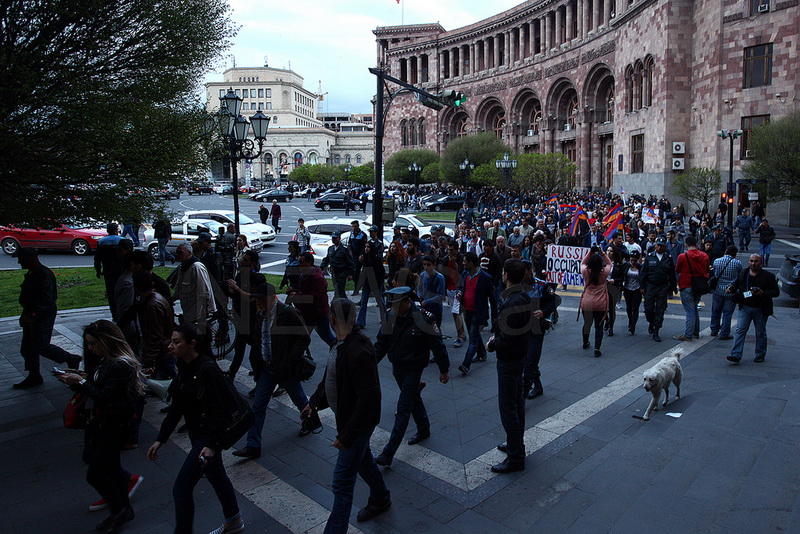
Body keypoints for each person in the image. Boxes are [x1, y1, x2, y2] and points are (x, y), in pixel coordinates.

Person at [147, 325, 245, 534]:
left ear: (192, 344)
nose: (170, 346)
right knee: (216, 476)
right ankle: (234, 521)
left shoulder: (208, 369)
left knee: (181, 488)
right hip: (198, 435)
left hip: (207, 437)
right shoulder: (184, 366)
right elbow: (177, 407)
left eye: (176, 342)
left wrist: (213, 445)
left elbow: (222, 409)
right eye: (171, 341)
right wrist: (161, 438)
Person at [304, 298, 391, 532]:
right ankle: (381, 496)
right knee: (363, 462)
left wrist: (347, 436)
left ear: (332, 319)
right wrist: (314, 402)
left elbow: (369, 402)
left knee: (342, 483)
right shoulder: (340, 344)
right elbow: (331, 378)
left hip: (356, 426)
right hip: (349, 421)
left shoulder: (358, 351)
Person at [57, 320, 144, 533]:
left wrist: (80, 383)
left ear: (106, 341)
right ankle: (121, 507)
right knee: (106, 469)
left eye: (93, 343)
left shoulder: (120, 365)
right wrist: (78, 380)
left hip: (112, 425)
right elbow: (100, 388)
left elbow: (107, 396)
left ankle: (121, 508)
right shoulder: (107, 361)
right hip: (101, 423)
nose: (90, 348)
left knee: (97, 473)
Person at [233, 283, 317, 459]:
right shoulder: (260, 314)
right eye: (257, 301)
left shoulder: (287, 313)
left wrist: (289, 359)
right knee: (258, 406)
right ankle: (253, 445)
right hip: (267, 367)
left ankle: (310, 421)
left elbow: (303, 338)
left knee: (299, 398)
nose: (259, 304)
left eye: (261, 300)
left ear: (272, 298)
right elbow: (258, 339)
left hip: (284, 367)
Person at [374, 286, 450, 467]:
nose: (392, 308)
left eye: (396, 304)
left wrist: (444, 369)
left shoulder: (424, 318)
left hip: (414, 367)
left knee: (403, 408)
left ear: (407, 302)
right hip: (397, 366)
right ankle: (424, 429)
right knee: (412, 398)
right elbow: (381, 344)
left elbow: (437, 345)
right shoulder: (390, 316)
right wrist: (369, 364)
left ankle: (388, 452)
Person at [489, 259, 532, 474]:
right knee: (516, 404)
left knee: (509, 408)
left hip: (510, 359)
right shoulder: (520, 296)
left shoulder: (514, 300)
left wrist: (493, 343)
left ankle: (516, 456)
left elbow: (508, 336)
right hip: (518, 357)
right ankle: (516, 444)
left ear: (506, 274)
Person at [14, 248, 80, 388]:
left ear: (30, 258)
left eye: (21, 258)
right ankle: (34, 375)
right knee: (28, 348)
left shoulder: (43, 274)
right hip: (32, 314)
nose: (19, 261)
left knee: (41, 345)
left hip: (41, 316)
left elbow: (46, 300)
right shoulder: (33, 273)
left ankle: (70, 358)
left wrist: (32, 316)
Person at [726, 254, 779, 364]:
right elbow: (736, 284)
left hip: (760, 308)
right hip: (745, 307)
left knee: (760, 332)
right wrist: (731, 288)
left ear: (761, 263)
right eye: (751, 261)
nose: (753, 263)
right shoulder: (744, 273)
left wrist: (762, 292)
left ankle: (760, 354)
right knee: (740, 330)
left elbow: (776, 292)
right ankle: (735, 354)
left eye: (756, 261)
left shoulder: (768, 276)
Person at [225, 249, 267, 380]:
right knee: (239, 349)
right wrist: (230, 290)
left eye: (246, 260)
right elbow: (236, 296)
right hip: (241, 319)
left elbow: (252, 298)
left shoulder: (259, 279)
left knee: (255, 355)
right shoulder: (239, 276)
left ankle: (259, 379)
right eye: (243, 259)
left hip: (254, 322)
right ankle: (231, 375)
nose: (242, 261)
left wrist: (236, 289)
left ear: (253, 264)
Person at [457, 252, 495, 375]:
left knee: (472, 339)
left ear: (471, 263)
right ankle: (482, 354)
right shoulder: (465, 274)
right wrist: (460, 294)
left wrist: (494, 318)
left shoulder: (485, 277)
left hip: (478, 313)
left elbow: (492, 298)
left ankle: (465, 365)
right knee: (474, 334)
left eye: (465, 261)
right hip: (466, 310)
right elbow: (462, 288)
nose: (463, 263)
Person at [133, 271, 176, 379]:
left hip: (162, 352)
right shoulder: (155, 298)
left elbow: (155, 335)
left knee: (165, 380)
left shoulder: (152, 305)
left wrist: (148, 359)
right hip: (164, 349)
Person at [289, 252, 336, 347]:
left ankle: (340, 351)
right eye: (299, 262)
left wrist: (296, 296)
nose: (299, 264)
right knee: (302, 339)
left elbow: (314, 297)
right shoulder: (305, 274)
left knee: (327, 337)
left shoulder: (317, 278)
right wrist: (295, 291)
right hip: (308, 313)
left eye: (302, 262)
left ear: (309, 262)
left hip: (317, 314)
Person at [172, 243, 217, 335]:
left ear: (189, 252)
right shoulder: (183, 267)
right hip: (188, 311)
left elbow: (204, 291)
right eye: (177, 252)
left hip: (198, 313)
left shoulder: (197, 267)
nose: (178, 254)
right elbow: (179, 288)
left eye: (180, 252)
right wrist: (171, 299)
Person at [640, 237, 677, 342]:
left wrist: (673, 287)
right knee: (648, 309)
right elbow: (643, 273)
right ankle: (651, 322)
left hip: (662, 287)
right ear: (655, 246)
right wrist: (642, 286)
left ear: (665, 246)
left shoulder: (668, 258)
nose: (660, 247)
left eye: (662, 245)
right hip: (650, 286)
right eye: (658, 245)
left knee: (660, 310)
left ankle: (656, 331)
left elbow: (671, 274)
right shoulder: (649, 256)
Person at [674, 235, 710, 341]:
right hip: (699, 285)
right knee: (694, 308)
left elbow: (678, 269)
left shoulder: (682, 256)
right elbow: (707, 269)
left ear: (686, 244)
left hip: (686, 284)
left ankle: (688, 334)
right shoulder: (704, 256)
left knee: (690, 310)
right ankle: (695, 332)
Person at [579, 249, 612, 357]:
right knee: (599, 326)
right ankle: (597, 348)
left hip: (587, 302)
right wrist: (602, 253)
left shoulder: (585, 271)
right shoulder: (604, 273)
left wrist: (590, 252)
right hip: (600, 303)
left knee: (587, 323)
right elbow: (609, 263)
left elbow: (583, 262)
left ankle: (585, 342)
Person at [710, 245, 743, 340]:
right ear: (735, 254)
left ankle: (714, 329)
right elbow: (739, 277)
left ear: (726, 251)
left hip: (718, 290)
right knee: (727, 313)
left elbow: (714, 274)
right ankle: (724, 332)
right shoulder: (737, 263)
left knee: (715, 311)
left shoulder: (717, 261)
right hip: (730, 291)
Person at [356, 225, 386, 329]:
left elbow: (379, 260)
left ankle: (385, 318)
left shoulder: (379, 244)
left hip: (376, 278)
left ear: (376, 232)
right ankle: (360, 321)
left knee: (380, 299)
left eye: (373, 232)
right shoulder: (368, 244)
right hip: (367, 279)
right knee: (364, 301)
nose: (371, 233)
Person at [95, 223, 127, 315]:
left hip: (108, 270)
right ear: (117, 230)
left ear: (107, 231)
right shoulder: (123, 240)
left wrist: (98, 270)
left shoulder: (101, 242)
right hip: (121, 269)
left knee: (111, 292)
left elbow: (97, 258)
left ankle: (114, 313)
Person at [439, 242, 466, 347]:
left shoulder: (461, 259)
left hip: (459, 289)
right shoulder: (445, 260)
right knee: (456, 313)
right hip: (450, 290)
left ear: (456, 250)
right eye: (448, 249)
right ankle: (462, 333)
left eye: (451, 249)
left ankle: (461, 336)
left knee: (456, 313)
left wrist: (456, 265)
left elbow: (463, 274)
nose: (449, 251)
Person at [321, 231, 355, 299]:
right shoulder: (330, 248)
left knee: (339, 289)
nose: (333, 240)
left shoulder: (344, 249)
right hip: (334, 273)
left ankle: (338, 303)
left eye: (335, 238)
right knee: (338, 289)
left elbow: (350, 262)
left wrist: (350, 274)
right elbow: (327, 259)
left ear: (339, 238)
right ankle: (343, 303)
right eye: (333, 238)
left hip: (342, 273)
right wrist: (321, 267)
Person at [418, 255, 446, 327]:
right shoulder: (422, 275)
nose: (426, 267)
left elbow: (441, 296)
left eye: (428, 265)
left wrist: (427, 301)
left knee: (435, 329)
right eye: (424, 264)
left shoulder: (440, 278)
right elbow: (419, 288)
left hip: (435, 308)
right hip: (424, 307)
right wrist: (419, 296)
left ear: (434, 265)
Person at [621, 251, 644, 335]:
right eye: (631, 260)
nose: (633, 262)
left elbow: (643, 277)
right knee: (628, 307)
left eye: (634, 260)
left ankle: (633, 325)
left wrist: (642, 288)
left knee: (635, 308)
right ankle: (630, 320)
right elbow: (621, 275)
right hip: (627, 289)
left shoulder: (640, 267)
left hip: (637, 289)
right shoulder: (626, 266)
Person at [605, 247, 625, 337]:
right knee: (602, 307)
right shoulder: (602, 262)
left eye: (611, 251)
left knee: (611, 309)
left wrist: (613, 280)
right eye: (608, 251)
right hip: (602, 287)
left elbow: (621, 278)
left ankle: (611, 327)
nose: (609, 253)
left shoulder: (618, 264)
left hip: (613, 287)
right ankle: (606, 320)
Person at [348, 221, 367, 296]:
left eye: (355, 226)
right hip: (353, 256)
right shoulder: (351, 234)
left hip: (360, 257)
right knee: (354, 273)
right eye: (352, 226)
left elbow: (364, 246)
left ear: (358, 226)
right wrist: (350, 253)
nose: (354, 228)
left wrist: (362, 255)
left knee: (357, 273)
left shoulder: (362, 235)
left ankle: (357, 289)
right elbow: (349, 244)